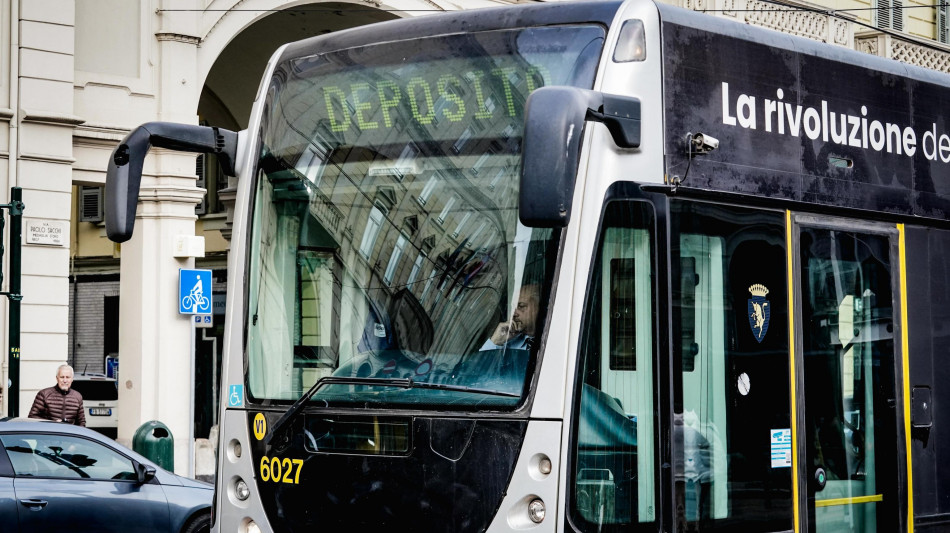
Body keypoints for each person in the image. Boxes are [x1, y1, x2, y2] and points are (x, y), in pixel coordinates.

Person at [480, 284, 539, 350]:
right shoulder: (505, 343)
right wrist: (496, 341)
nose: (513, 314)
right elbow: (480, 360)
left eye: (521, 306)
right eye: (513, 307)